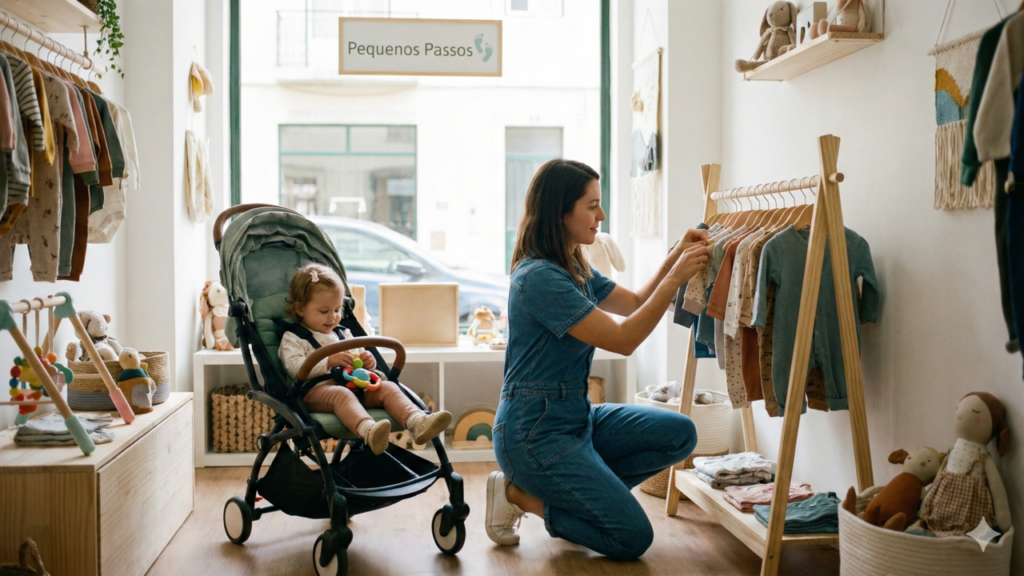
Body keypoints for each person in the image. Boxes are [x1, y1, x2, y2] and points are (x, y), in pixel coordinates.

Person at [485, 159, 709, 560]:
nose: (601, 216)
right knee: (632, 538)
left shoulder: (574, 267)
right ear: (560, 212)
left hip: (574, 417)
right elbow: (624, 340)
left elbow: (636, 301)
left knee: (680, 434)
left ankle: (584, 506)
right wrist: (676, 278)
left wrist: (675, 255)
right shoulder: (540, 278)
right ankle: (517, 494)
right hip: (532, 431)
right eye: (592, 206)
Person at [278, 263, 452, 454]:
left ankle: (417, 421)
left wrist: (367, 362)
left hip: (353, 386)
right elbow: (294, 367)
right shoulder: (294, 337)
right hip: (315, 392)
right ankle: (369, 431)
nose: (333, 317)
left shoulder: (343, 333)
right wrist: (328, 361)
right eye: (324, 311)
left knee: (388, 387)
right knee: (340, 394)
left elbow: (356, 362)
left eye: (337, 310)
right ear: (300, 309)